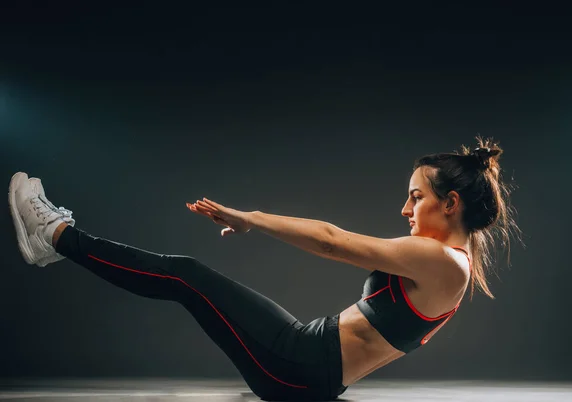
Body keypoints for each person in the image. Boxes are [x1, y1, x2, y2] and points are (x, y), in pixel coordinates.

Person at [8, 137, 520, 401]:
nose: (406, 210)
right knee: (187, 280)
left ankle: (56, 237)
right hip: (306, 360)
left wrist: (249, 218)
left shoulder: (441, 261)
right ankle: (58, 242)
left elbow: (333, 241)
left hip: (299, 366)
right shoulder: (454, 264)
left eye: (416, 197)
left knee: (185, 275)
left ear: (451, 203)